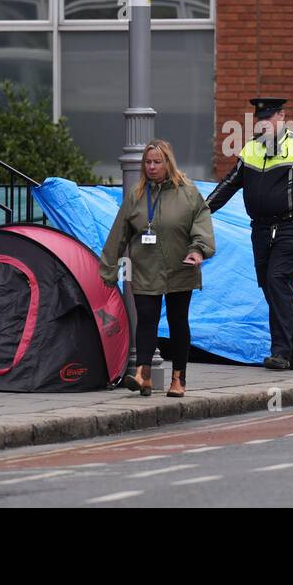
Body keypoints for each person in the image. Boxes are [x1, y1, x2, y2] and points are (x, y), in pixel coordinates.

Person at [207, 97, 293, 370]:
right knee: (274, 287)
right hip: (261, 229)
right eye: (260, 119)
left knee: (277, 281)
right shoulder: (251, 149)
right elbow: (229, 184)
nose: (263, 124)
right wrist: (203, 210)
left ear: (282, 118)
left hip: (290, 228)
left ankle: (281, 353)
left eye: (269, 118)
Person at [99, 139, 215, 397]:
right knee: (147, 321)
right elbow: (118, 233)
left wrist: (198, 250)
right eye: (147, 162)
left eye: (157, 162)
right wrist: (108, 269)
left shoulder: (188, 192)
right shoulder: (137, 195)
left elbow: (202, 223)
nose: (151, 167)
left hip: (180, 267)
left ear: (168, 163)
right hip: (146, 268)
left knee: (177, 322)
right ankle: (143, 375)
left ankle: (178, 379)